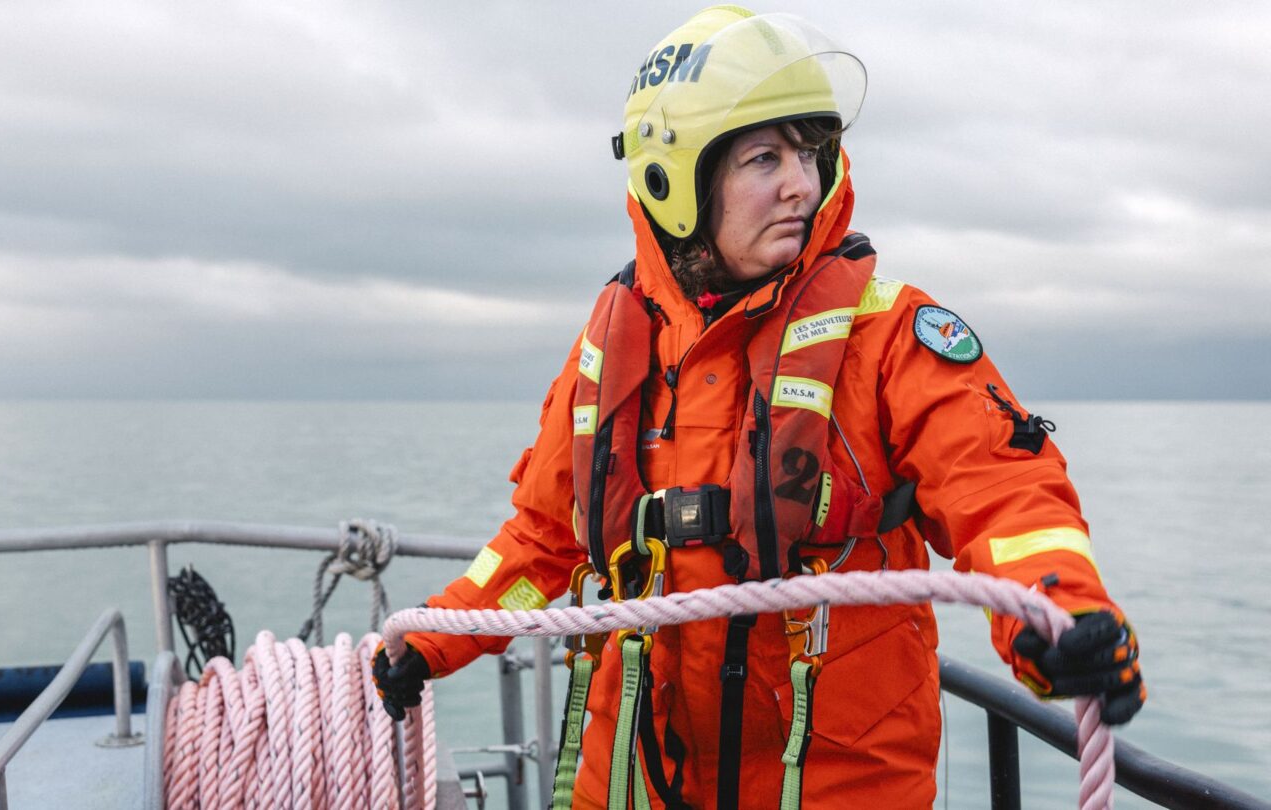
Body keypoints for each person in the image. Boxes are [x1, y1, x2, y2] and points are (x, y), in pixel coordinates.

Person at [374, 7, 1145, 809]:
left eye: (811, 153)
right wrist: (434, 638)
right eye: (763, 158)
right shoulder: (614, 348)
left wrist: (1060, 615)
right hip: (636, 773)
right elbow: (542, 542)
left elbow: (1000, 492)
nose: (802, 184)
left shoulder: (889, 336)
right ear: (674, 181)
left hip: (835, 779)